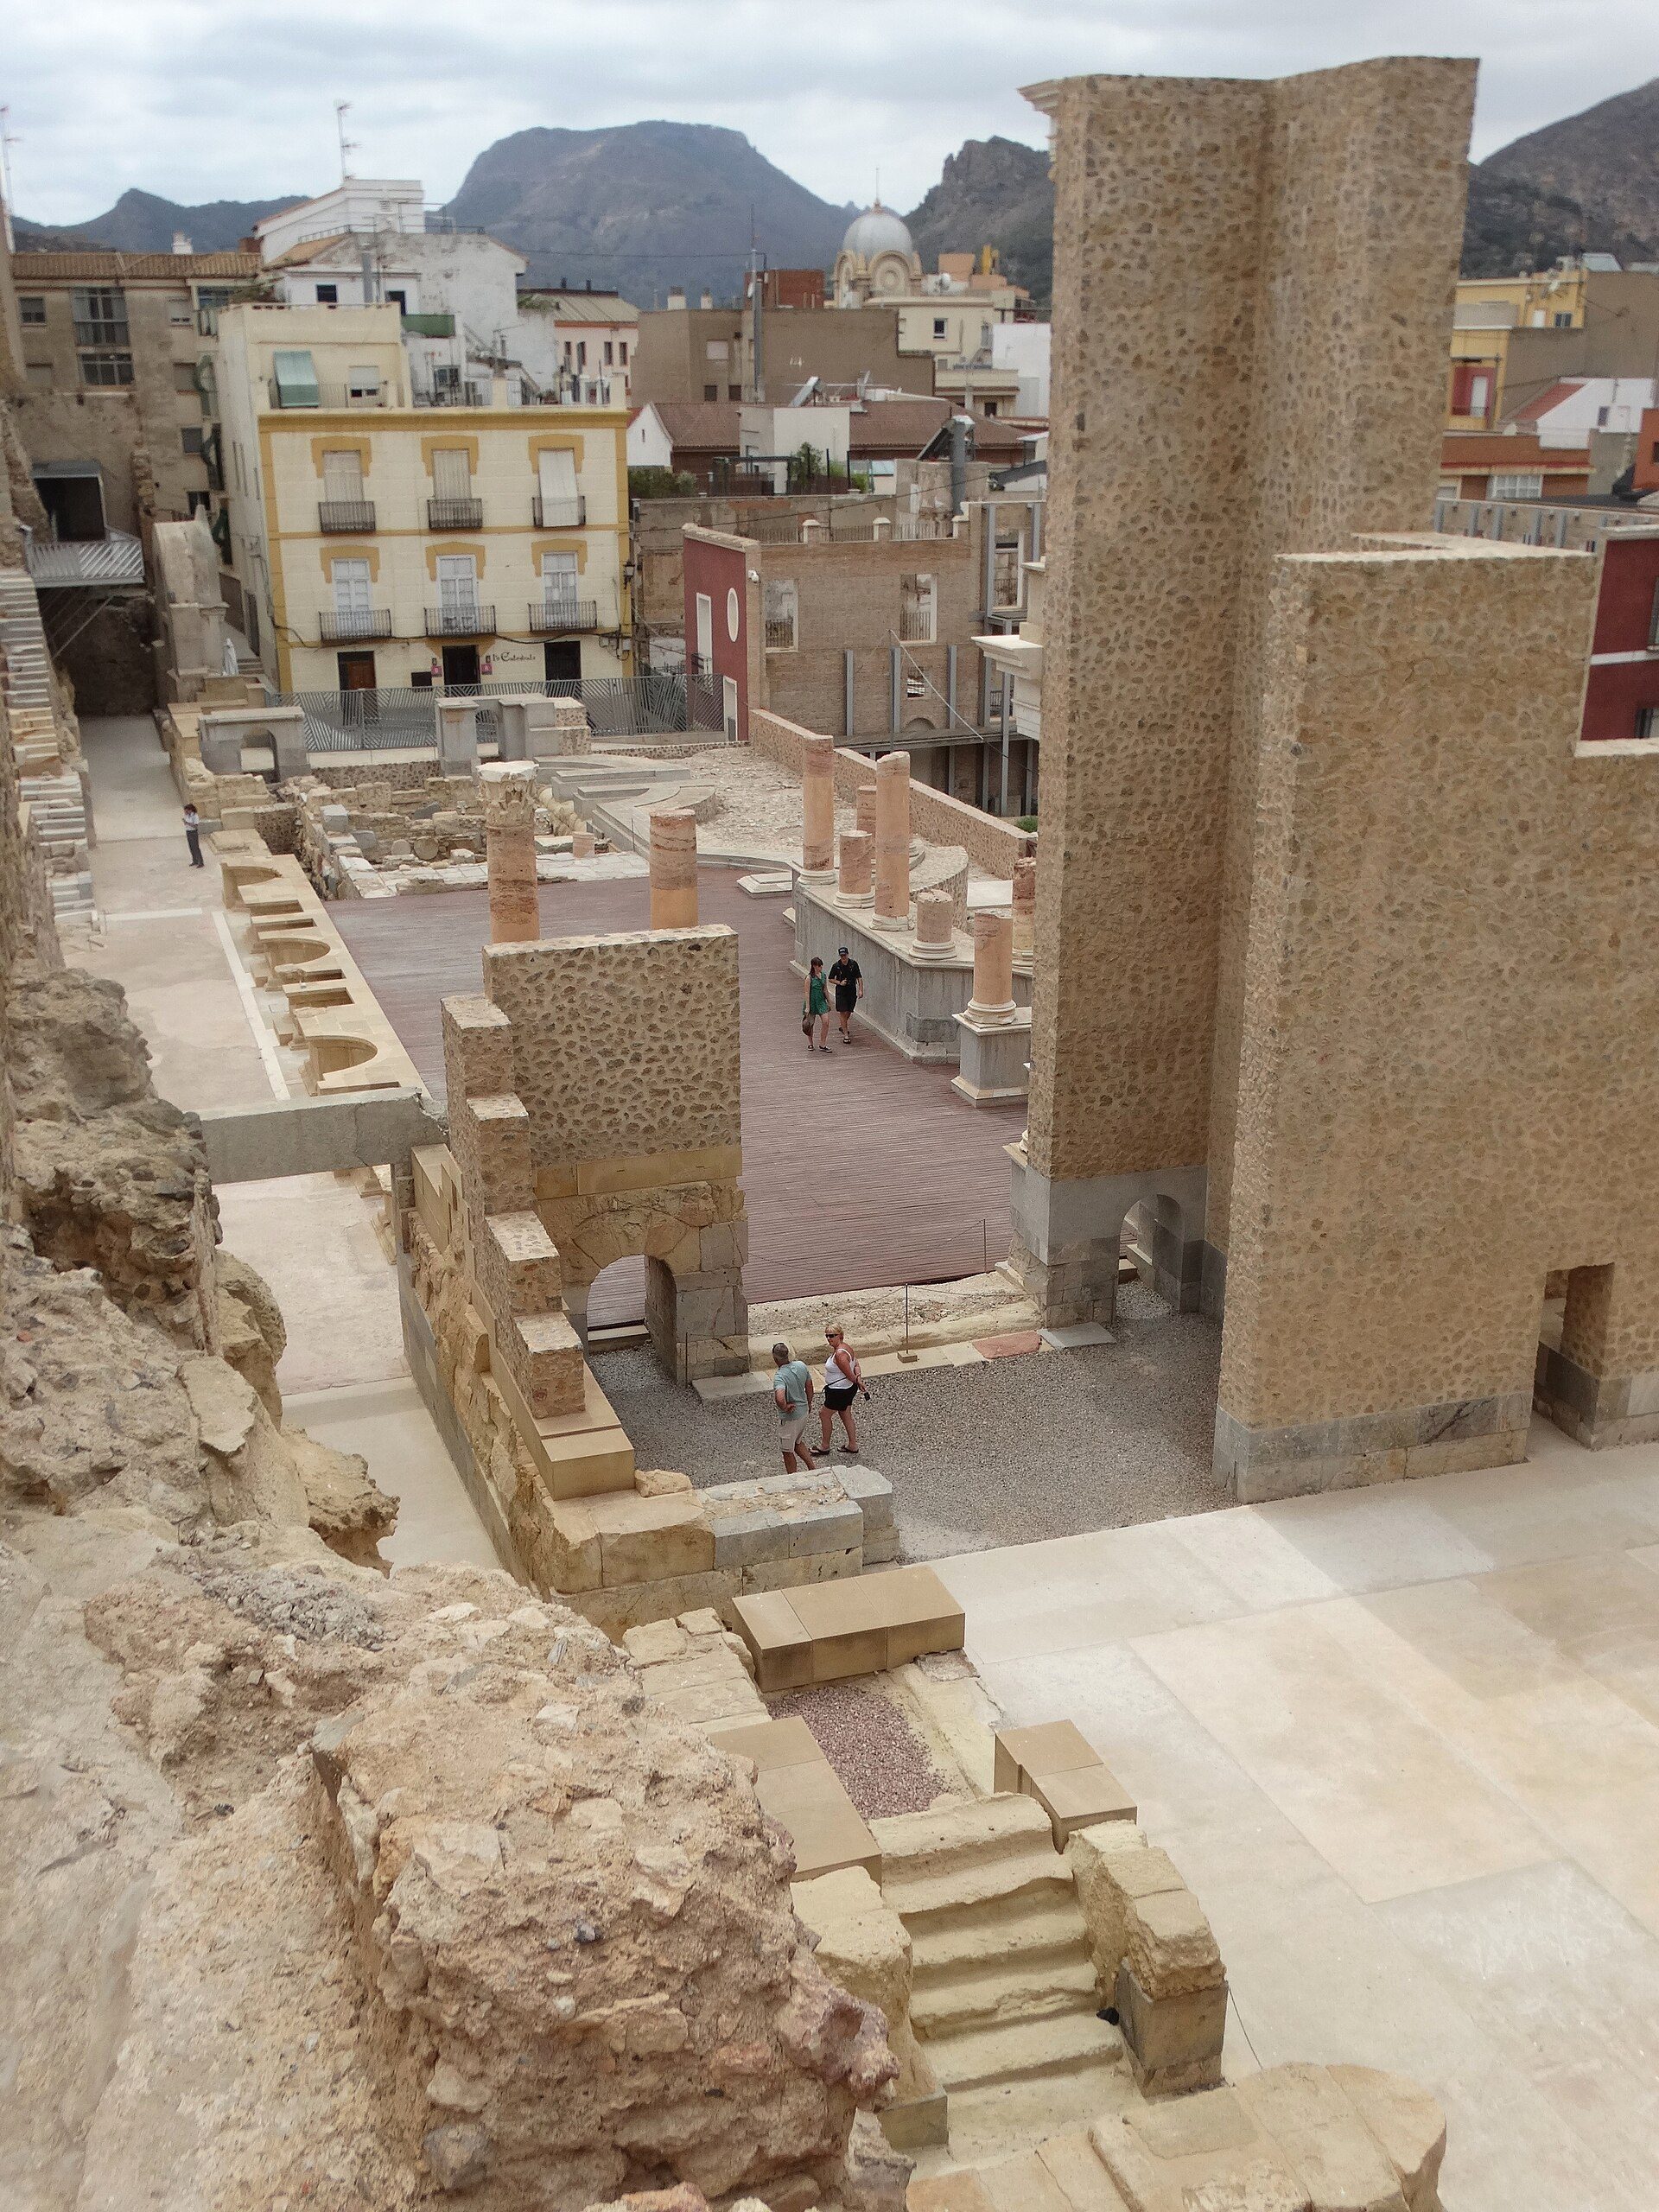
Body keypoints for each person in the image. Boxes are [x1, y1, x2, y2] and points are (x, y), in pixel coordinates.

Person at [819, 1323, 865, 1456]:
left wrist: (857, 1380)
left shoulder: (839, 1354)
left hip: (839, 1391)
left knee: (824, 1414)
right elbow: (856, 1364)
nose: (829, 1338)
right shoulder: (847, 1348)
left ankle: (825, 1445)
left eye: (832, 1336)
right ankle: (852, 1444)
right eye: (827, 1336)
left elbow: (849, 1374)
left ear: (840, 1335)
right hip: (846, 1389)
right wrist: (859, 1379)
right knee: (846, 1415)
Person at [772, 1340, 816, 1471]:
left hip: (790, 1417)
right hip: (803, 1412)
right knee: (797, 1442)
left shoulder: (780, 1376)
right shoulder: (801, 1365)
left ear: (775, 1358)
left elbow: (780, 1397)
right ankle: (812, 1467)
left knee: (787, 1450)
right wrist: (808, 1402)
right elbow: (809, 1386)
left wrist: (785, 1407)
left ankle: (793, 1476)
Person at [828, 945, 864, 1044]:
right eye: (841, 956)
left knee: (849, 1011)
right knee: (843, 1012)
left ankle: (843, 1025)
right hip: (841, 992)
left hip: (851, 990)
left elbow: (859, 977)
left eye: (844, 955)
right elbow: (830, 978)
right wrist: (840, 982)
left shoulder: (853, 964)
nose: (843, 958)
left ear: (847, 955)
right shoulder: (836, 966)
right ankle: (846, 1035)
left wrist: (861, 990)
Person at [804, 955, 831, 1054]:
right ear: (815, 966)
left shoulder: (823, 976)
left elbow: (825, 989)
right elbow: (807, 992)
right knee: (810, 1024)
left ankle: (822, 1043)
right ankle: (810, 1043)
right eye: (819, 966)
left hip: (821, 1001)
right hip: (812, 1001)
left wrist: (829, 1001)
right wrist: (807, 1006)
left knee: (826, 1021)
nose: (820, 968)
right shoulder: (809, 978)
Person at [182, 803, 204, 869]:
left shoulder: (195, 816)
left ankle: (200, 861)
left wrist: (188, 823)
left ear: (190, 810)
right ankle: (195, 860)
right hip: (188, 831)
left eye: (187, 810)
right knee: (191, 847)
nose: (186, 812)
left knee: (196, 847)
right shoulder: (187, 816)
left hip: (193, 832)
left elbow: (196, 826)